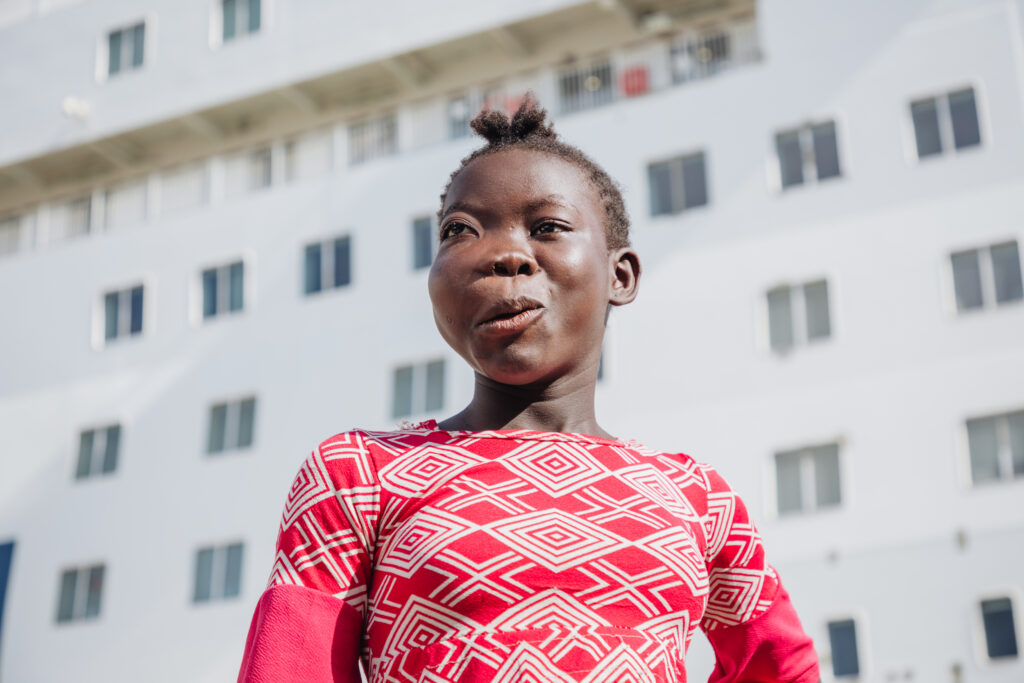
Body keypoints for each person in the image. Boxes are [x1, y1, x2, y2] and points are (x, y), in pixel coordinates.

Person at [237, 95, 819, 683]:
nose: (502, 254)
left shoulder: (697, 496)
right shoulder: (360, 474)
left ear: (621, 276)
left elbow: (782, 666)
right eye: (459, 231)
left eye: (548, 227)